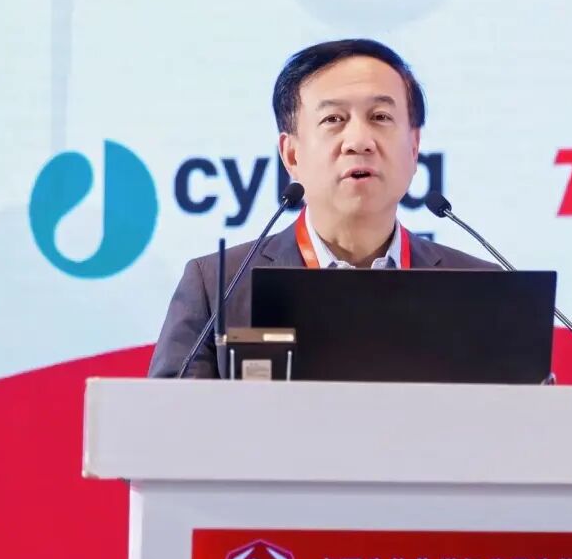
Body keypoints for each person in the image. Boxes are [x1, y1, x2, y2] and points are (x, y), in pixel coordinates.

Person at [148, 38, 495, 378]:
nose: (359, 141)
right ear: (291, 155)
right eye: (333, 119)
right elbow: (168, 414)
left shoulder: (483, 291)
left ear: (414, 147)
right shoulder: (218, 287)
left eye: (380, 116)